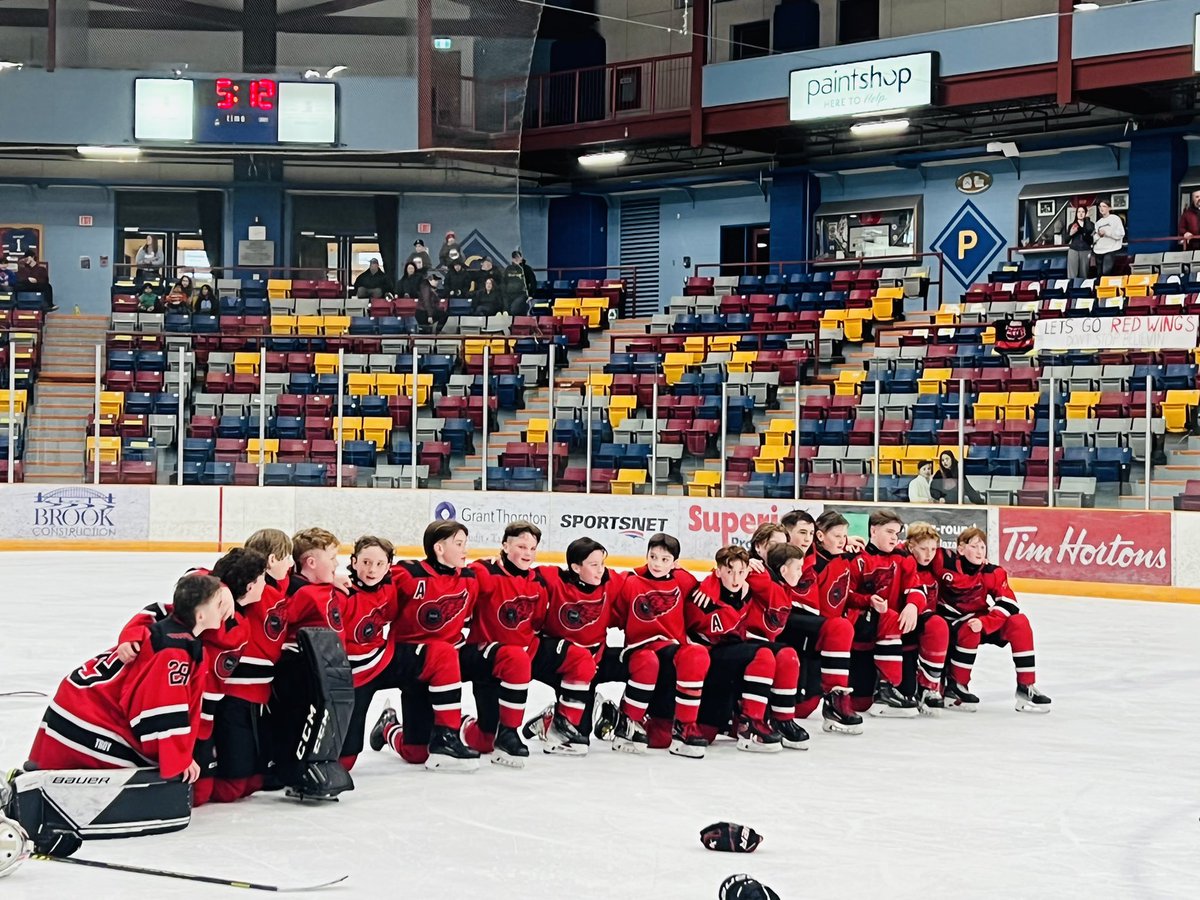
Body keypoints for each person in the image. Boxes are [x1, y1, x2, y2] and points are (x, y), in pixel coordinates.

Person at [28, 573, 228, 781]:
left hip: (78, 703)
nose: (222, 609)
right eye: (218, 604)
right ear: (201, 616)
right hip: (86, 716)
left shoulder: (172, 625)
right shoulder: (174, 653)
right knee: (148, 769)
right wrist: (179, 759)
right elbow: (161, 710)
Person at [460, 521, 594, 765]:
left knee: (581, 659)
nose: (528, 553)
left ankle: (559, 726)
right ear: (504, 545)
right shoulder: (483, 572)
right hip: (490, 660)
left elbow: (540, 620)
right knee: (484, 741)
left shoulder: (539, 580)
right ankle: (461, 725)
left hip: (526, 654)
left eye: (533, 548)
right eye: (521, 546)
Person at [369, 521, 482, 772]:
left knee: (447, 653)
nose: (466, 551)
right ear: (439, 549)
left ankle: (451, 729)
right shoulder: (407, 575)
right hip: (412, 664)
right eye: (459, 544)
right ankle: (388, 726)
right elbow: (377, 603)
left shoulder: (470, 579)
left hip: (446, 666)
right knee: (416, 754)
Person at [608, 533, 710, 758]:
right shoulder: (630, 581)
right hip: (641, 650)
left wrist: (712, 587)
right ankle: (628, 720)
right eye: (653, 556)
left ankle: (685, 726)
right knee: (649, 661)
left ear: (675, 563)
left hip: (672, 652)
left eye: (665, 560)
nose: (657, 563)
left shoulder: (682, 580)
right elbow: (609, 609)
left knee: (660, 740)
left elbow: (710, 584)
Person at [932, 528, 1052, 714]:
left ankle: (1026, 686)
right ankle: (956, 687)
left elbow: (1009, 603)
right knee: (970, 628)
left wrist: (986, 622)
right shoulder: (943, 560)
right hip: (949, 622)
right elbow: (919, 549)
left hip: (979, 621)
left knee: (1019, 622)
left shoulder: (992, 571)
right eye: (974, 546)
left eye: (982, 546)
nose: (980, 551)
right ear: (961, 550)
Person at [1092, 200, 1125, 276]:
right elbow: (1094, 238)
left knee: (1106, 272)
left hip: (1110, 249)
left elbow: (1121, 233)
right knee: (1099, 274)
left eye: (1104, 206)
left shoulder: (1115, 219)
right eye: (1100, 206)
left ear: (1109, 208)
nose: (1101, 208)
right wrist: (1098, 235)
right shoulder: (1098, 223)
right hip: (1098, 251)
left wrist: (1107, 233)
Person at [502, 250, 536, 316]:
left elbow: (533, 282)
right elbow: (504, 282)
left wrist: (531, 295)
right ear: (512, 259)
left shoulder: (526, 269)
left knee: (514, 310)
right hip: (509, 295)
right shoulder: (508, 269)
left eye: (518, 257)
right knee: (506, 310)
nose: (516, 259)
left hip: (522, 295)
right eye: (514, 258)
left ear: (521, 258)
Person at [1065, 204, 1094, 279]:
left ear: (1086, 213)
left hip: (1085, 250)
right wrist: (1071, 233)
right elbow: (1066, 240)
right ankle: (1072, 288)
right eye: (1079, 212)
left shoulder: (1090, 224)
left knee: (1084, 274)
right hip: (1074, 250)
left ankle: (1082, 289)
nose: (1081, 214)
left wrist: (1087, 219)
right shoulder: (1072, 225)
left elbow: (1090, 239)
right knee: (1072, 274)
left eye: (1083, 212)